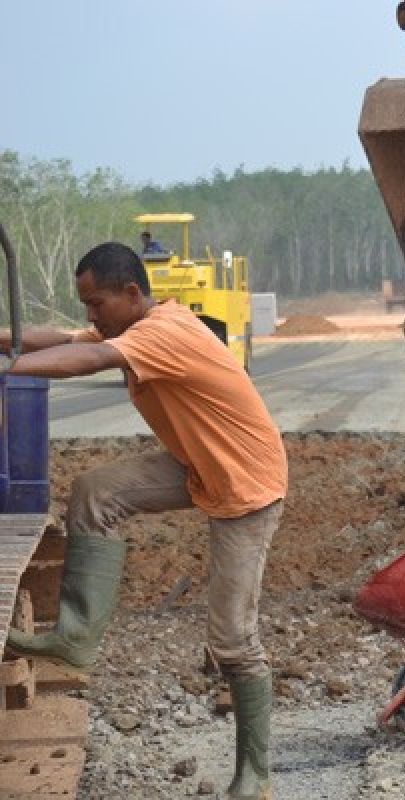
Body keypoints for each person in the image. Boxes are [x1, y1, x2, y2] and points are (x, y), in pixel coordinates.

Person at [2, 242, 286, 800]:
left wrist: (13, 369)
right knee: (96, 492)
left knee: (232, 640)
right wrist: (6, 342)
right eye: (86, 305)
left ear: (133, 294)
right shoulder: (131, 326)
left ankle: (256, 777)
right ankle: (75, 638)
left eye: (96, 303)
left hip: (245, 483)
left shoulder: (166, 333)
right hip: (198, 463)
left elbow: (87, 360)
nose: (90, 316)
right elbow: (61, 341)